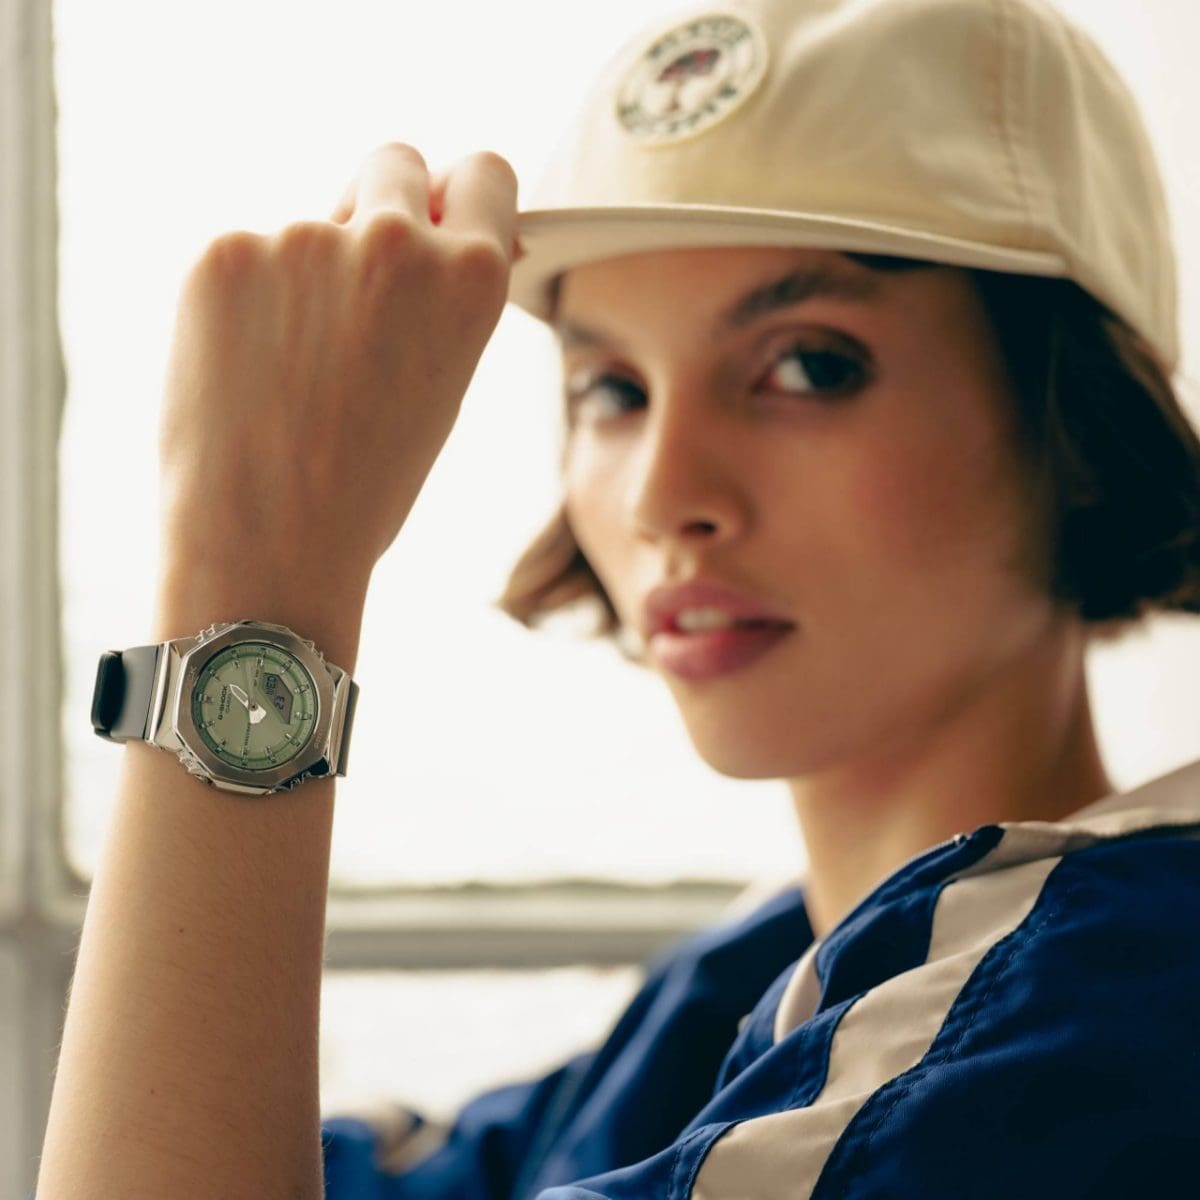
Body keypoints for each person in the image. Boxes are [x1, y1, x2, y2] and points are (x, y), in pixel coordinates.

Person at [34, 0, 1200, 1196]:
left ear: (1080, 429)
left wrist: (254, 579)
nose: (660, 493)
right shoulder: (740, 989)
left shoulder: (1092, 1014)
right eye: (611, 388)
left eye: (809, 365)